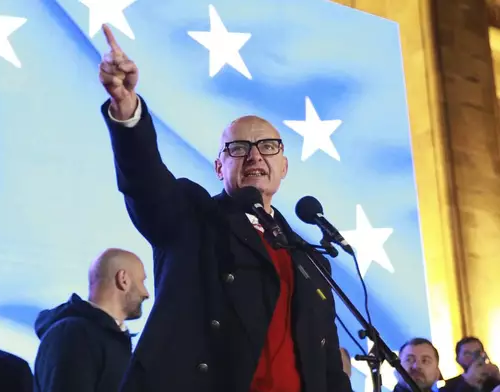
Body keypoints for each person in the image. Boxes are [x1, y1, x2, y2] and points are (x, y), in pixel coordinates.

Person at [98, 24, 352, 392]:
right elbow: (145, 182)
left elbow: (327, 367)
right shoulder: (195, 218)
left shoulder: (311, 261)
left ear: (283, 166)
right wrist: (126, 110)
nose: (254, 157)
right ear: (219, 168)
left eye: (267, 147)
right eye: (238, 148)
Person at [33, 248, 149, 392]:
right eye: (142, 281)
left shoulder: (103, 338)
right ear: (123, 279)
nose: (146, 293)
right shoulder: (74, 335)